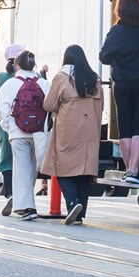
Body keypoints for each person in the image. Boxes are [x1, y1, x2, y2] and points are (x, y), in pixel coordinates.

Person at [99, 0, 139, 186]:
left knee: (125, 126)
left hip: (122, 84)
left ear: (120, 10)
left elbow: (104, 57)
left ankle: (129, 171)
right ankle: (134, 170)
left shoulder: (116, 31)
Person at [41, 45, 104, 225]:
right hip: (91, 131)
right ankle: (80, 214)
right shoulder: (95, 80)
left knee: (61, 168)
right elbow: (102, 106)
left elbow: (49, 104)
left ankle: (72, 203)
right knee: (84, 172)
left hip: (68, 130)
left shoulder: (62, 78)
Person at [0, 49, 50, 221]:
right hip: (39, 132)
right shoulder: (43, 84)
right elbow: (52, 107)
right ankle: (26, 204)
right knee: (32, 170)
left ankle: (27, 206)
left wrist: (10, 127)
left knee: (22, 170)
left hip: (18, 133)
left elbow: (2, 109)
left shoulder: (10, 84)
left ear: (16, 65)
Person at [0, 43, 24, 203]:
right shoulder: (33, 75)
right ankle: (23, 195)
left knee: (6, 159)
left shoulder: (1, 77)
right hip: (27, 124)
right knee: (24, 159)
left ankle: (10, 193)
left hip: (7, 123)